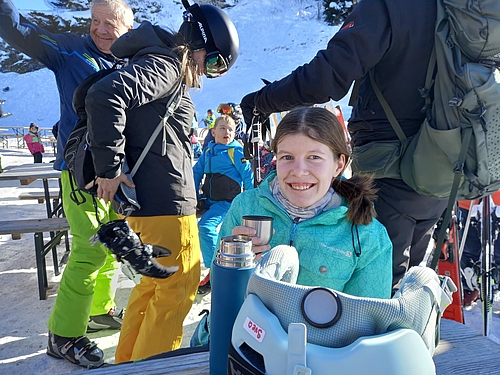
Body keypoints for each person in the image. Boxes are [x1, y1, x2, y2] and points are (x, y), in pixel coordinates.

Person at [240, 0, 447, 295]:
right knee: (411, 288)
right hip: (444, 164)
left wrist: (264, 100)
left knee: (379, 293)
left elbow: (328, 76)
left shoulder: (392, 6)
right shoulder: (461, 10)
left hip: (391, 164)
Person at [84, 1, 239, 362]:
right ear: (199, 43)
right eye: (214, 62)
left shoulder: (153, 59)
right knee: (176, 290)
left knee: (154, 285)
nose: (210, 73)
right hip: (166, 202)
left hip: (150, 200)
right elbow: (104, 96)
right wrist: (109, 168)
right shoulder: (166, 63)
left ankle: (128, 365)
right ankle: (153, 368)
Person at [0, 0, 134, 367]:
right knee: (90, 249)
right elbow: (20, 30)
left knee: (112, 243)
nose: (100, 29)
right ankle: (64, 335)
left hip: (117, 175)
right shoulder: (70, 51)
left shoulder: (132, 62)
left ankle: (99, 309)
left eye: (110, 23)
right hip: (79, 173)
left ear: (127, 29)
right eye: (95, 21)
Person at [216, 107, 392, 297]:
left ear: (338, 165)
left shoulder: (367, 235)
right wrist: (235, 264)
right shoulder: (245, 206)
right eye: (287, 157)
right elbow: (223, 297)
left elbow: (366, 320)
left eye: (314, 157)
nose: (298, 171)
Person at [193, 115, 254, 268]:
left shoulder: (236, 152)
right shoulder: (208, 152)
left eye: (231, 130)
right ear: (213, 133)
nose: (227, 132)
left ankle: (216, 267)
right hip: (208, 200)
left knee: (206, 227)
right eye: (222, 128)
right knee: (184, 222)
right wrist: (193, 196)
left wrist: (252, 201)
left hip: (226, 202)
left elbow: (248, 176)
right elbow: (196, 173)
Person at [458, 192, 500, 306]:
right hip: (470, 198)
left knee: (498, 254)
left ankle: (493, 288)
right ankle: (468, 287)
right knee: (468, 249)